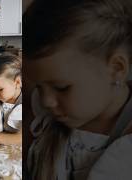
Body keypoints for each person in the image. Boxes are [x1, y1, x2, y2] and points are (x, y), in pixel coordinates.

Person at [25, 0, 132, 179]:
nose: (46, 100)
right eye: (38, 86)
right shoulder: (42, 112)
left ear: (117, 69)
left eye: (61, 87)